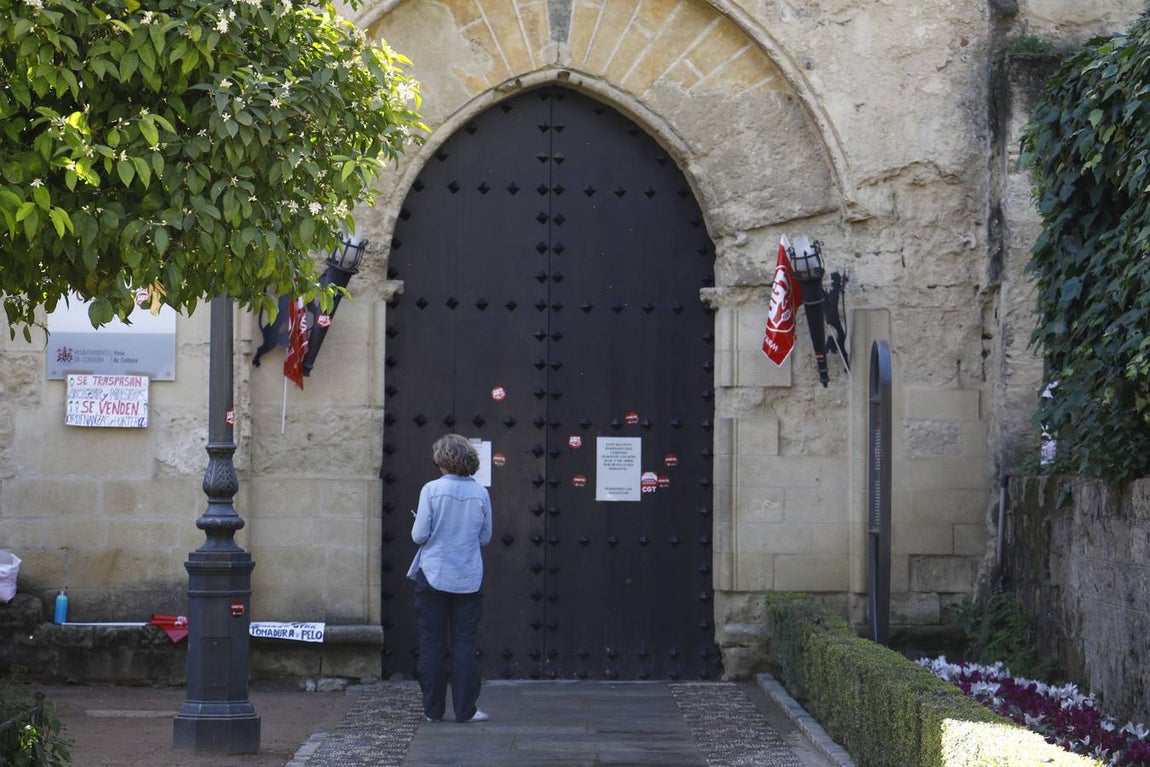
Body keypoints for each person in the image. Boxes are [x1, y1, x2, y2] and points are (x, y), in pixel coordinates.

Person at [406, 434, 493, 723]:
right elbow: (485, 537)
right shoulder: (481, 493)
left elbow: (419, 535)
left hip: (434, 575)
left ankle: (433, 710)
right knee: (465, 644)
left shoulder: (431, 490)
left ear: (442, 460)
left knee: (432, 643)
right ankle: (465, 710)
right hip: (468, 577)